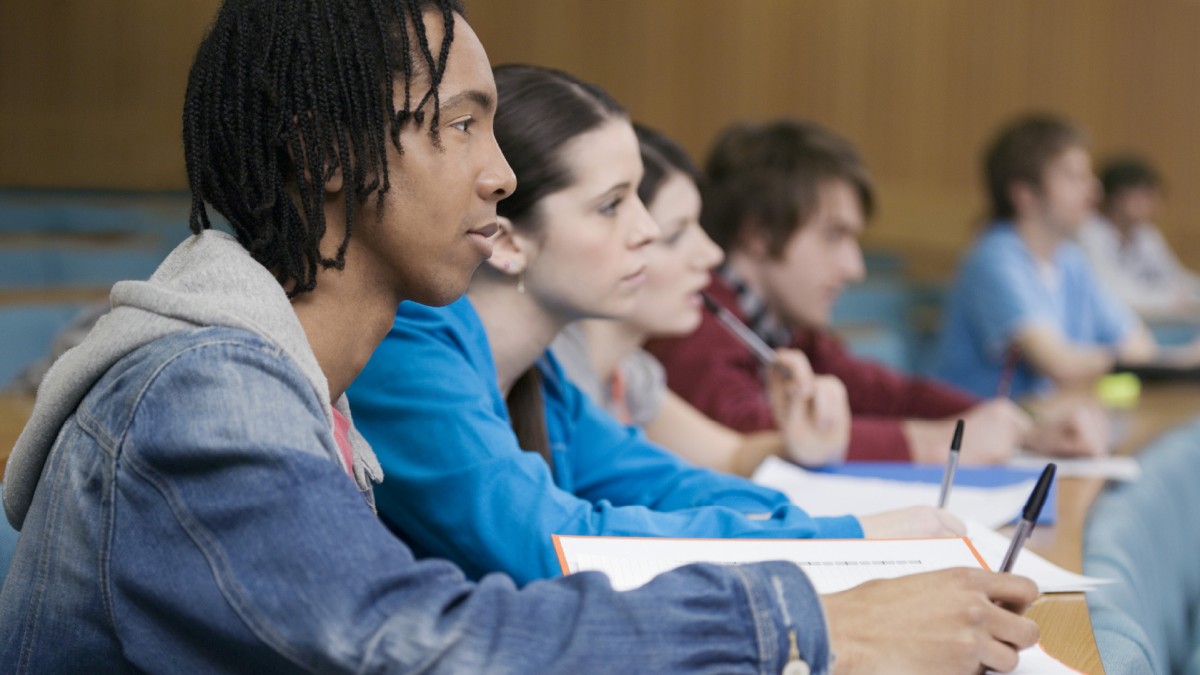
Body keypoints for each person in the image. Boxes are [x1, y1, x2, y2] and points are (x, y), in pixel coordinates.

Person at [0, 4, 1037, 673]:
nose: (500, 175)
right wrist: (811, 624)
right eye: (462, 124)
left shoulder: (302, 374)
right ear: (323, 154)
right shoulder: (206, 391)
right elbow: (408, 640)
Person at [348, 65, 965, 588]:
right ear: (507, 243)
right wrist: (843, 538)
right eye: (613, 206)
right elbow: (558, 541)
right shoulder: (409, 346)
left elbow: (670, 486)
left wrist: (822, 528)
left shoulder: (543, 376)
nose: (646, 231)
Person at [648, 118, 1104, 464]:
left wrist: (1022, 426)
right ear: (760, 233)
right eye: (834, 236)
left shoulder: (781, 326)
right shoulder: (693, 318)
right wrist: (939, 442)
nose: (854, 268)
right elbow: (760, 437)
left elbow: (887, 393)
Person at [551, 123, 851, 475]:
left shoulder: (631, 374)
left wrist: (798, 443)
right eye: (676, 235)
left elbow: (731, 456)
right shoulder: (556, 377)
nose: (711, 254)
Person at [934, 114, 1200, 401]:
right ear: (1025, 194)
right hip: (976, 433)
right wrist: (1166, 362)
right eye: (1074, 176)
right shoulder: (995, 259)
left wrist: (1143, 362)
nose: (1093, 189)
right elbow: (1057, 363)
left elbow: (1138, 344)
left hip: (1044, 426)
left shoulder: (1070, 261)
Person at [1078, 155, 1200, 321]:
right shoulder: (1089, 233)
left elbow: (1176, 278)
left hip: (1152, 316)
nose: (1151, 202)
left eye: (1152, 195)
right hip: (1115, 320)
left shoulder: (1147, 235)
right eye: (1142, 194)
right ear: (1115, 197)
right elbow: (1115, 296)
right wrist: (1172, 300)